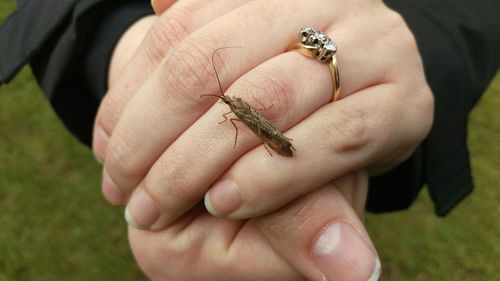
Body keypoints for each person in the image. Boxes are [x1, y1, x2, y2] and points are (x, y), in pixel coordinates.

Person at [1, 0, 499, 280]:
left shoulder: (238, 108)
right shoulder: (229, 106)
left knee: (263, 135)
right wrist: (132, 48)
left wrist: (375, 85)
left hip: (287, 123)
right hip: (267, 127)